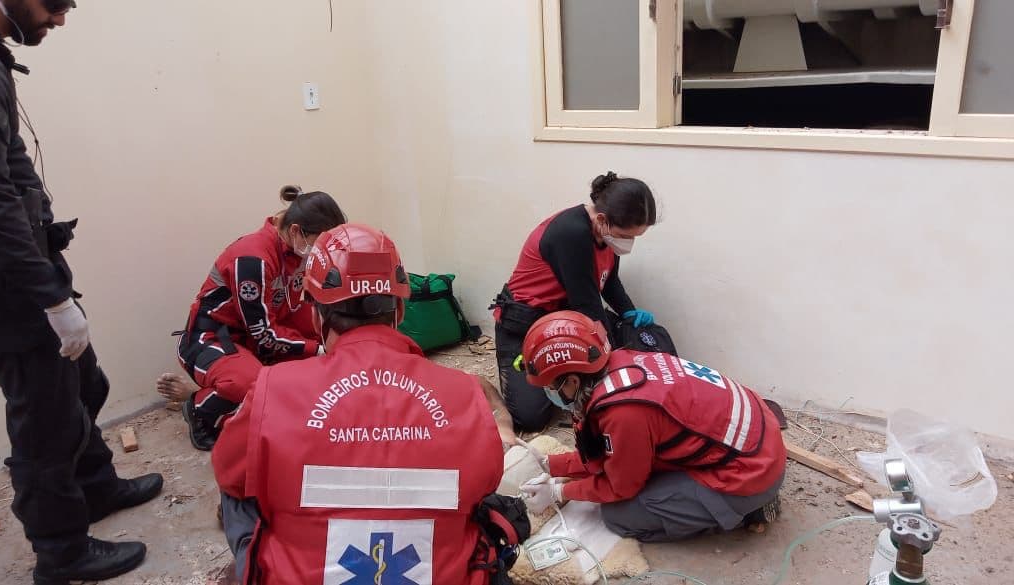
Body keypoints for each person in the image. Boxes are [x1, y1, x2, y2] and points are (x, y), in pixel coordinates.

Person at [212, 223, 520, 583]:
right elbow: (486, 482)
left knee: (240, 479)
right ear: (400, 313)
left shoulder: (272, 391)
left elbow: (229, 473)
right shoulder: (465, 394)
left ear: (315, 317)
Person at [0, 1, 163, 582]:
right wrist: (50, 298)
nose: (58, 19)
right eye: (53, 4)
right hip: (6, 289)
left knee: (84, 383)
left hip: (30, 269)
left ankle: (96, 488)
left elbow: (12, 165)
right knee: (44, 420)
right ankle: (61, 552)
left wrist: (50, 243)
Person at [517, 311, 786, 543]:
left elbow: (621, 486)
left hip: (750, 473)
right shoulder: (623, 361)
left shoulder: (623, 412)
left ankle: (744, 512)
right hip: (759, 441)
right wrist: (549, 464)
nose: (549, 393)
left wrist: (560, 491)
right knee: (645, 464)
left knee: (619, 515)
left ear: (573, 381)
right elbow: (604, 457)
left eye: (551, 386)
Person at [158, 185, 346, 451]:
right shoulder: (252, 259)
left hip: (257, 335)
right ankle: (198, 408)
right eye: (320, 242)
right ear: (295, 231)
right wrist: (318, 349)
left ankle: (256, 384)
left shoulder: (295, 250)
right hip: (212, 339)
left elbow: (302, 306)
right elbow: (264, 333)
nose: (323, 250)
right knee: (255, 387)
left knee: (333, 330)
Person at [491, 171, 663, 432]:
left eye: (635, 237)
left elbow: (609, 281)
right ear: (603, 219)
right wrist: (615, 363)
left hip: (565, 319)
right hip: (526, 325)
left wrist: (629, 312)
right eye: (626, 235)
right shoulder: (570, 234)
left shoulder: (605, 233)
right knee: (530, 417)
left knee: (626, 353)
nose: (629, 243)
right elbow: (588, 305)